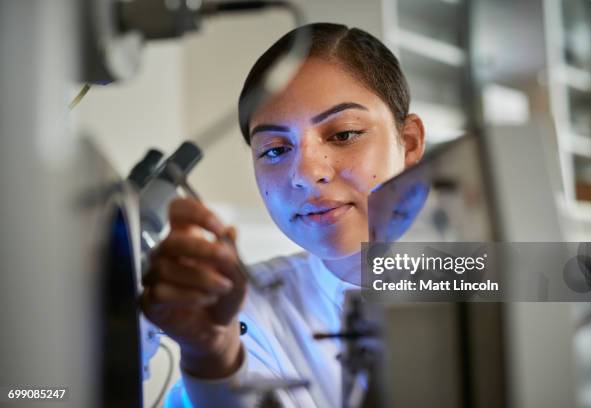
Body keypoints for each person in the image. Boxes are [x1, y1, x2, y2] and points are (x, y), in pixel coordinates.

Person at [140, 22, 425, 407]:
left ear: (407, 144)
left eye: (343, 134)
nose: (307, 174)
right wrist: (213, 359)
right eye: (275, 150)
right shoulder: (242, 313)